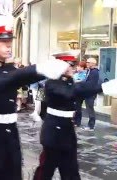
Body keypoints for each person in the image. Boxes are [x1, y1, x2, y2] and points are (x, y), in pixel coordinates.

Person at [0, 15, 70, 180]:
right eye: (2, 41)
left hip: (10, 136)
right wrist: (38, 69)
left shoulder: (11, 69)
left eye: (10, 41)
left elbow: (14, 77)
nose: (8, 45)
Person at [33, 51, 117, 180]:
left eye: (73, 65)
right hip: (53, 134)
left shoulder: (70, 82)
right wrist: (104, 87)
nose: (73, 68)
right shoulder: (52, 83)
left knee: (71, 171)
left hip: (67, 132)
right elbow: (70, 93)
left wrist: (103, 87)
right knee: (45, 170)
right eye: (70, 65)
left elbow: (81, 89)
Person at [83, 57, 99, 131]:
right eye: (87, 62)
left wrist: (83, 84)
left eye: (88, 62)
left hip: (91, 93)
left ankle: (91, 126)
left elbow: (91, 83)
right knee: (89, 108)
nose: (87, 63)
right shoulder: (89, 71)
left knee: (90, 109)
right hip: (87, 92)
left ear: (93, 63)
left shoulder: (95, 72)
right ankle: (90, 125)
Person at [73, 61, 87, 127]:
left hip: (80, 93)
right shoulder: (75, 74)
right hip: (74, 92)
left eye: (80, 67)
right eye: (78, 66)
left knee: (78, 107)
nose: (78, 68)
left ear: (83, 68)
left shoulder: (85, 74)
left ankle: (78, 122)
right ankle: (74, 120)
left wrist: (77, 81)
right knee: (74, 107)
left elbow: (83, 81)